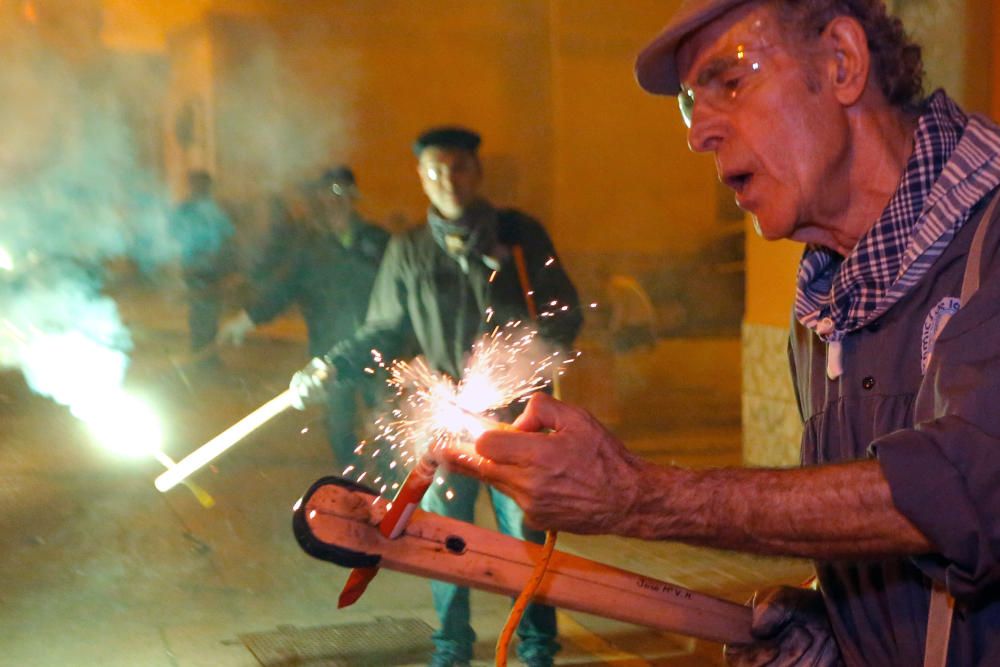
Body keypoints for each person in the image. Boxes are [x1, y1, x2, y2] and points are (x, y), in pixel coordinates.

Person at [438, 1, 1000, 665]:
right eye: (687, 103)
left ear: (841, 61)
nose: (698, 132)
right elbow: (897, 551)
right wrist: (833, 626)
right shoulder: (824, 313)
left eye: (729, 81)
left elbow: (962, 493)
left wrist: (638, 497)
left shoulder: (990, 241)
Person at [290, 127, 582, 667]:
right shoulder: (408, 250)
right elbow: (384, 328)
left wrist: (521, 368)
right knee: (443, 539)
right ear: (421, 178)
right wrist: (331, 365)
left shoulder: (518, 235)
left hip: (517, 421)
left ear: (477, 172)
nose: (447, 180)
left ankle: (538, 646)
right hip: (444, 422)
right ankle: (451, 648)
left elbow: (563, 313)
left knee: (527, 537)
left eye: (458, 168)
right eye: (435, 170)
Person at [217, 166, 390, 466]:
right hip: (330, 356)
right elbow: (283, 288)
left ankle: (394, 493)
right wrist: (246, 319)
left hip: (378, 349)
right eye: (325, 193)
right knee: (339, 428)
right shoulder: (310, 248)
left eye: (339, 192)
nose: (332, 200)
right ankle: (352, 492)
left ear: (352, 197)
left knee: (388, 424)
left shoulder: (378, 241)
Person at [169, 169, 237, 360]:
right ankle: (202, 355)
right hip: (196, 268)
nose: (199, 188)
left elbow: (228, 237)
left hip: (209, 269)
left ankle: (205, 355)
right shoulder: (187, 209)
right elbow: (174, 233)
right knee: (201, 312)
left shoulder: (212, 209)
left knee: (208, 313)